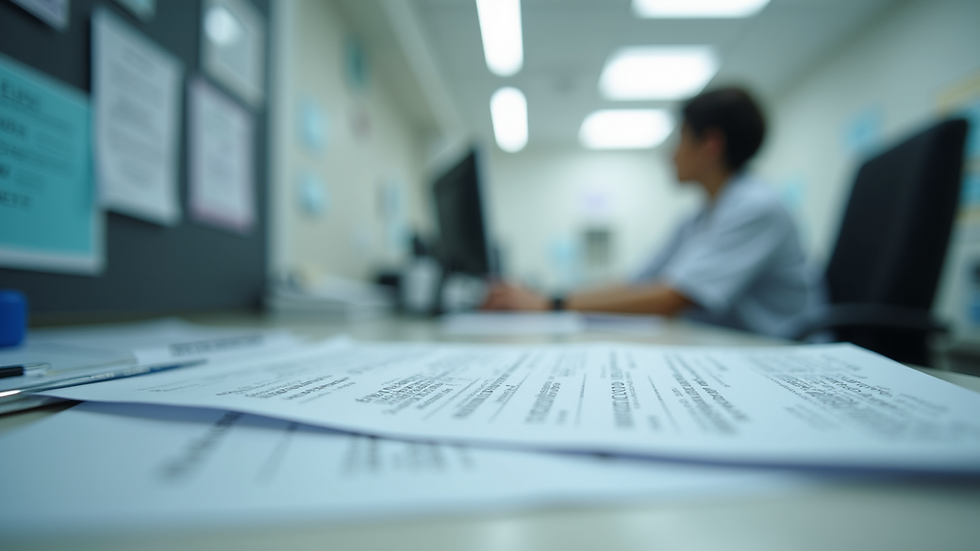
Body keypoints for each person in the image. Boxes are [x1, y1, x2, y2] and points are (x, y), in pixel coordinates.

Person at [482, 86, 815, 338]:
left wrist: (549, 305)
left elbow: (671, 298)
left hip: (785, 358)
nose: (670, 154)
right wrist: (547, 299)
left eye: (680, 139)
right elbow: (639, 283)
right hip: (730, 348)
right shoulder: (698, 219)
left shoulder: (757, 208)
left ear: (711, 145)